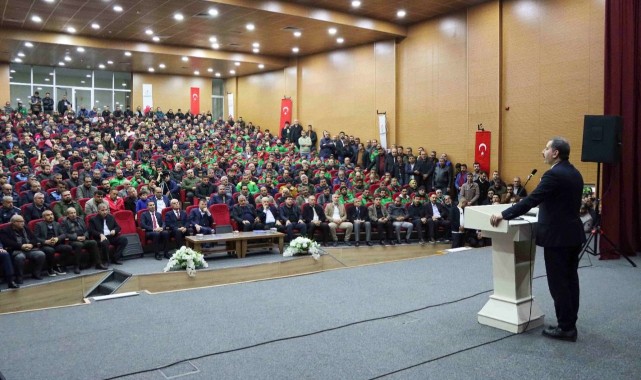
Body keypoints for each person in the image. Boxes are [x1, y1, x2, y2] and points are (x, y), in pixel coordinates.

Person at [490, 137, 585, 342]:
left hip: (557, 238)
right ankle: (569, 322)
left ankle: (566, 329)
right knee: (570, 281)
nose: (543, 151)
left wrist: (503, 214)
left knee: (559, 283)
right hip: (573, 235)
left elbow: (532, 200)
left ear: (555, 153)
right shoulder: (575, 172)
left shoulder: (553, 175)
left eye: (546, 148)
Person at [0, 215, 46, 284]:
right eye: (20, 221)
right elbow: (6, 242)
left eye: (23, 221)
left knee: (40, 254)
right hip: (15, 250)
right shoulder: (5, 230)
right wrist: (21, 246)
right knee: (20, 257)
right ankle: (19, 277)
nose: (23, 223)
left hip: (29, 249)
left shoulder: (25, 228)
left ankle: (36, 273)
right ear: (14, 222)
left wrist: (31, 244)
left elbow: (34, 238)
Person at [61, 206, 105, 271]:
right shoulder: (64, 222)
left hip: (83, 238)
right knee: (79, 245)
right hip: (72, 241)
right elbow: (64, 234)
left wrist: (85, 236)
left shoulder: (80, 219)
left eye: (74, 212)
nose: (73, 214)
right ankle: (76, 266)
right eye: (71, 213)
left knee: (93, 242)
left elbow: (87, 230)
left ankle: (98, 264)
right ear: (67, 214)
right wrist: (76, 237)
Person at [34, 210, 73, 276]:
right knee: (50, 250)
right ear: (43, 217)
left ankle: (59, 265)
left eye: (52, 214)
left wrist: (57, 239)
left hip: (56, 244)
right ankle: (50, 268)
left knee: (68, 248)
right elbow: (35, 237)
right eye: (48, 215)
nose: (51, 216)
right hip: (45, 245)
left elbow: (63, 234)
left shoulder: (57, 224)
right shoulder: (39, 225)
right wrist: (46, 241)